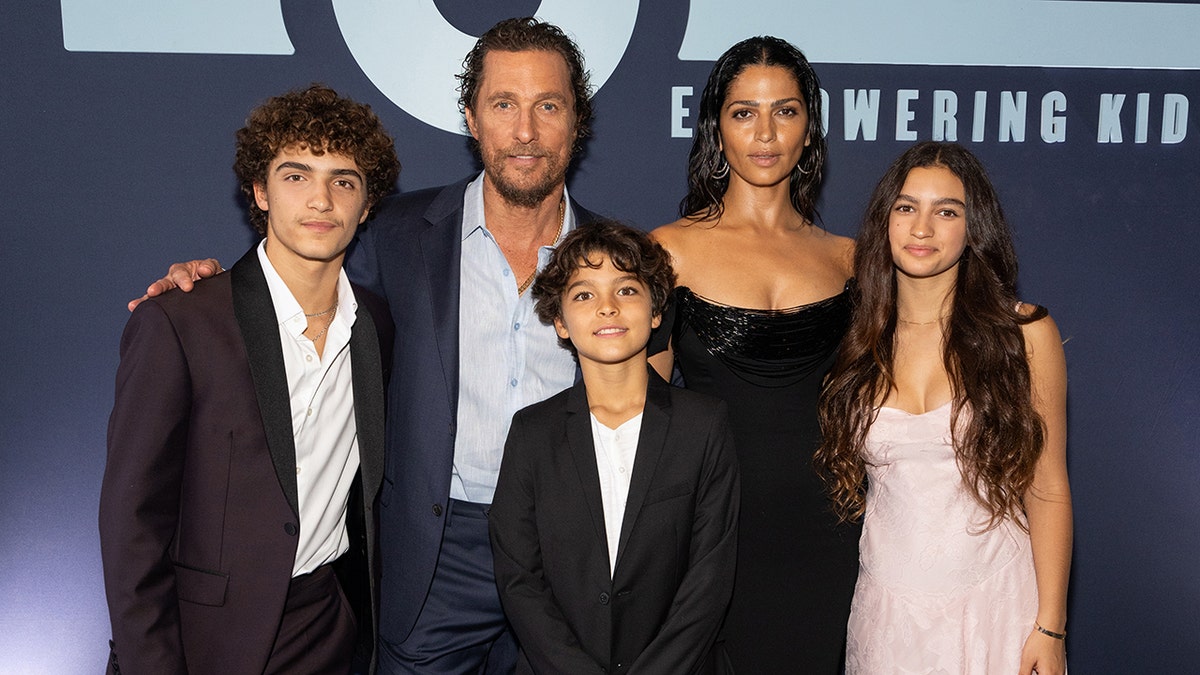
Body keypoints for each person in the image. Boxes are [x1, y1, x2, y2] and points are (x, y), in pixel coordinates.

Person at [127, 18, 603, 673]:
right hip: (434, 559)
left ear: (576, 120)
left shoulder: (619, 259)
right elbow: (302, 267)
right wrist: (206, 284)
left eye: (547, 105)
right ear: (471, 117)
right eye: (503, 104)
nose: (525, 130)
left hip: (564, 560)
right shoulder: (400, 236)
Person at [100, 84, 399, 674]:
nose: (321, 200)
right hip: (203, 637)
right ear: (259, 191)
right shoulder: (179, 321)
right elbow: (131, 522)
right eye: (296, 176)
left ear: (366, 205)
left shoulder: (377, 325)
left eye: (343, 180)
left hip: (326, 629)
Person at [815, 141, 1071, 675]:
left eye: (946, 211)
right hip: (886, 613)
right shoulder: (856, 340)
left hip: (999, 606)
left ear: (973, 226)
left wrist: (1050, 627)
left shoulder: (1022, 334)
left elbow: (1046, 488)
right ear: (885, 220)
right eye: (906, 208)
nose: (922, 228)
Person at [648, 36, 859, 671]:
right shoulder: (667, 252)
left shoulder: (850, 259)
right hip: (711, 530)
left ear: (810, 127)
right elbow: (639, 416)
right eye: (744, 112)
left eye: (785, 111)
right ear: (717, 126)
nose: (765, 133)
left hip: (829, 532)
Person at [489, 221, 740, 674]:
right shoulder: (532, 433)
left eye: (626, 290)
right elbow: (519, 579)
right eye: (584, 295)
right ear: (561, 322)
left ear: (656, 311)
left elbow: (710, 576)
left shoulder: (702, 425)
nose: (607, 308)